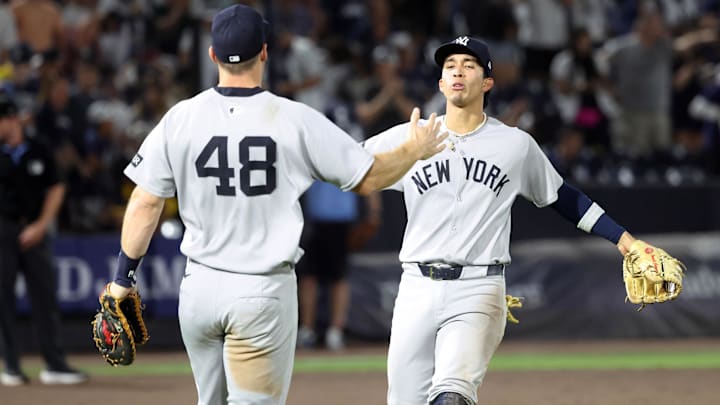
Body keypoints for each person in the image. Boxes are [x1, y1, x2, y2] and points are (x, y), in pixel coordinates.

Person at [103, 4, 446, 405]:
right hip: (260, 291)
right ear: (265, 52)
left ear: (212, 55)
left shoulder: (181, 118)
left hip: (199, 290)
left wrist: (123, 278)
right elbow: (367, 177)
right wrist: (414, 148)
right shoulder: (293, 118)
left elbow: (145, 202)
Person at [362, 36, 639, 405]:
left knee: (452, 397)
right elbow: (349, 169)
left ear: (487, 81)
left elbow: (562, 197)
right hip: (415, 286)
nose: (458, 70)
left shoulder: (514, 144)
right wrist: (407, 152)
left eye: (469, 64)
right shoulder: (411, 136)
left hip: (478, 288)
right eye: (450, 66)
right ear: (441, 83)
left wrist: (626, 241)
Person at [0, 95, 88, 386]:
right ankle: (11, 366)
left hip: (36, 230)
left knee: (45, 298)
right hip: (3, 231)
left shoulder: (38, 149)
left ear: (12, 119)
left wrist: (41, 224)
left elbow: (56, 187)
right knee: (3, 301)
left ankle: (54, 364)